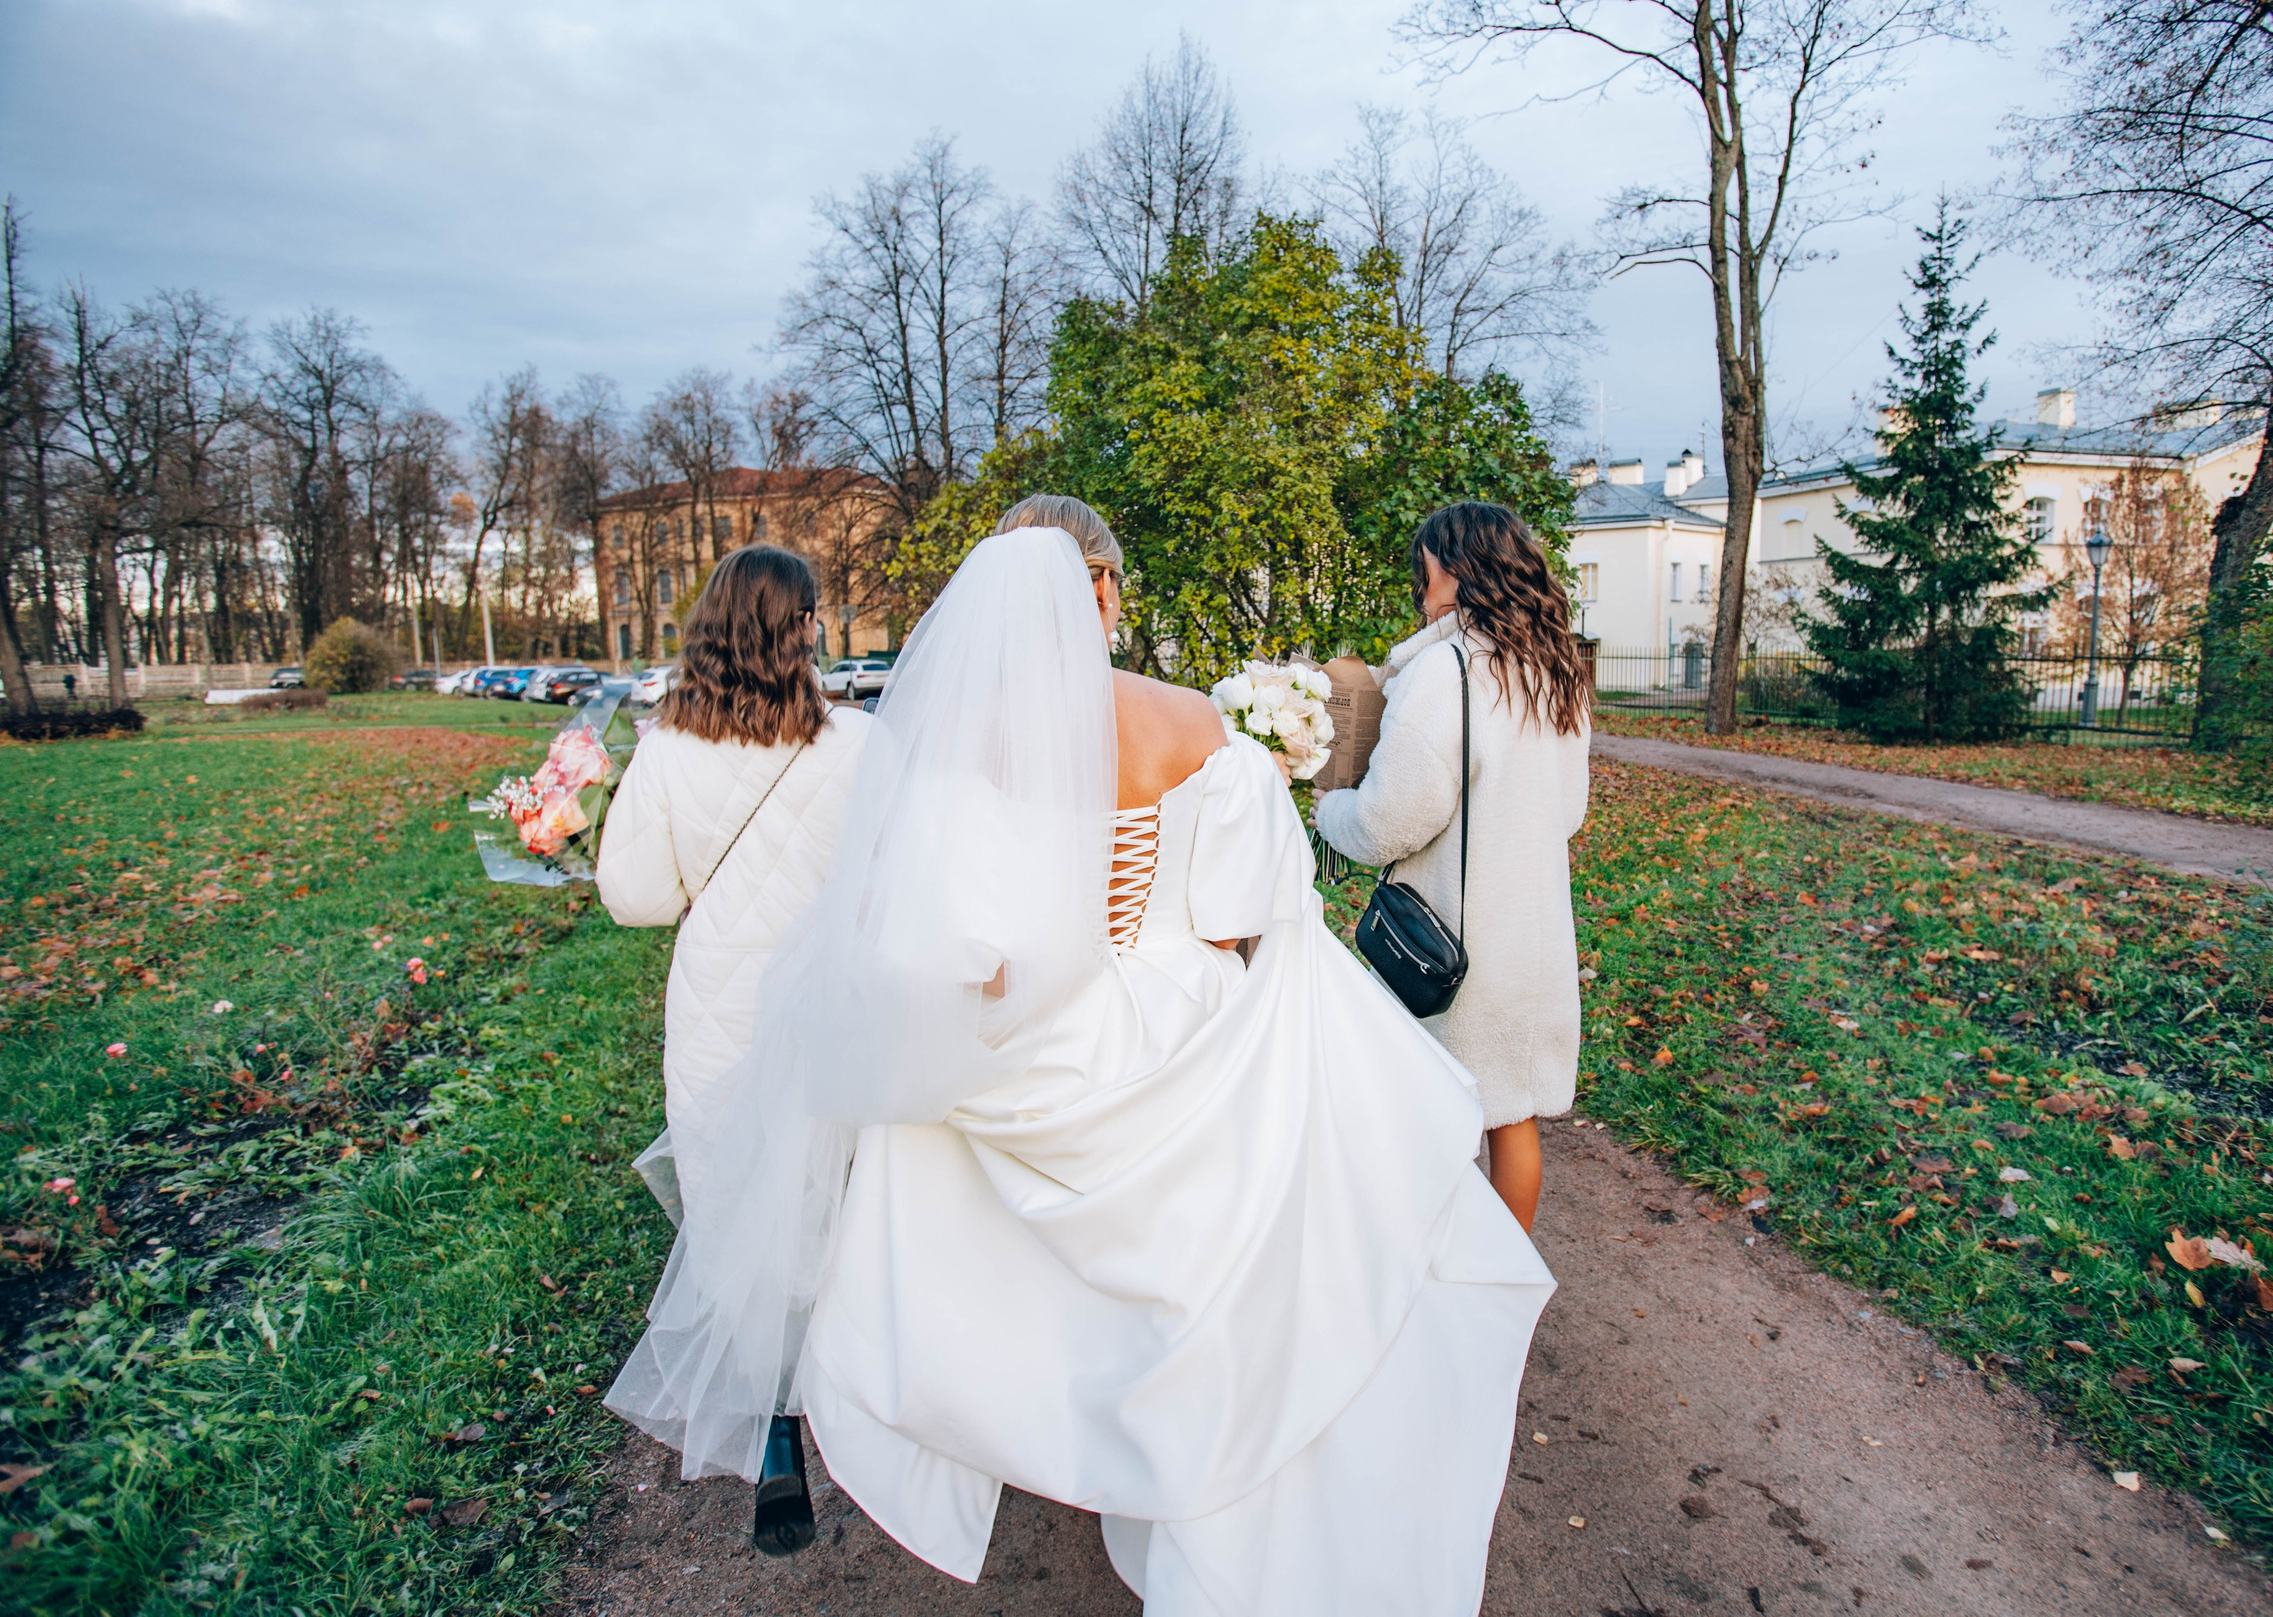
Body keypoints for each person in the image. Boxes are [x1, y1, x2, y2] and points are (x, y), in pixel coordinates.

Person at [606, 495, 1553, 1615]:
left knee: (989, 1222)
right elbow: (1238, 915)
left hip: (1039, 1039)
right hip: (1178, 1012)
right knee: (1208, 1274)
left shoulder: (960, 742)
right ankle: (1185, 1458)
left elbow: (958, 946)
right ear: (1101, 591)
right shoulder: (1195, 724)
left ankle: (1057, 1421)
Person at [594, 543, 872, 1553]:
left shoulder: (667, 749)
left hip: (719, 997)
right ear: (800, 630)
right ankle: (862, 1401)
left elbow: (634, 900)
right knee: (834, 1196)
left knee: (729, 1202)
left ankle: (771, 1439)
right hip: (829, 997)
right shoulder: (855, 746)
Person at [1314, 501, 1593, 1233]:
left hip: (1455, 945)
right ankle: (1505, 1297)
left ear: (1455, 569)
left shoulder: (1445, 672)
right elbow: (1567, 810)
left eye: (1426, 567)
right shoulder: (1554, 671)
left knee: (1416, 1117)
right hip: (1533, 941)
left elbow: (1385, 821)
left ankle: (1425, 1290)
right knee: (1513, 1119)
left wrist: (1326, 811)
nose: (1421, 583)